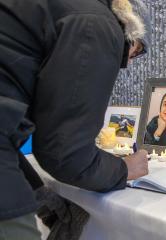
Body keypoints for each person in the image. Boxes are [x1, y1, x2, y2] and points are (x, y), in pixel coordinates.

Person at [0, 0, 150, 238]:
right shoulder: (96, 23)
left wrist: (39, 192)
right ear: (132, 30)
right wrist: (123, 169)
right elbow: (64, 152)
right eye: (138, 51)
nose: (129, 63)